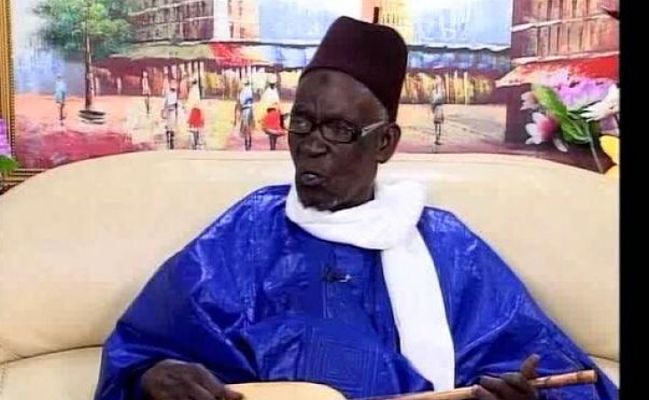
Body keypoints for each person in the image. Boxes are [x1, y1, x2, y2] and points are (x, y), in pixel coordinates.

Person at [94, 17, 618, 400]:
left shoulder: (448, 248)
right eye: (302, 123)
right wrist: (152, 377)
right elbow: (139, 352)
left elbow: (558, 376)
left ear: (385, 142)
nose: (311, 145)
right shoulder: (245, 232)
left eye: (339, 129)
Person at [187, 79, 205, 150]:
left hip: (194, 110)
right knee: (196, 128)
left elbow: (191, 101)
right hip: (197, 109)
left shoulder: (193, 90)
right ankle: (196, 142)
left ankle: (195, 142)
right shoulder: (196, 90)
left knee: (194, 128)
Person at [162, 80, 180, 150]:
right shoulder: (168, 93)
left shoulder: (174, 94)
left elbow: (175, 104)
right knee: (169, 126)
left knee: (171, 126)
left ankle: (171, 140)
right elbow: (166, 102)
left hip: (172, 111)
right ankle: (168, 140)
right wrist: (163, 110)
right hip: (169, 111)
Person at [238, 79, 254, 151]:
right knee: (249, 126)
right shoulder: (249, 90)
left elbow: (242, 101)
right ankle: (249, 141)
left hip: (245, 109)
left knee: (245, 125)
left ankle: (247, 142)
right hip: (250, 109)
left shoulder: (244, 91)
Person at [430, 75, 445, 146]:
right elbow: (433, 100)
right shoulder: (435, 91)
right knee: (437, 124)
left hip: (439, 108)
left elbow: (441, 99)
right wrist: (432, 107)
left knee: (439, 124)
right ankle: (437, 138)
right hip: (437, 108)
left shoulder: (441, 91)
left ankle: (438, 138)